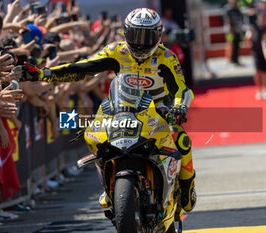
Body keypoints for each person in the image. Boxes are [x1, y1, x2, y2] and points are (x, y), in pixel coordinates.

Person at [30, 8, 196, 212]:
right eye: (136, 35)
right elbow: (81, 68)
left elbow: (181, 88)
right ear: (126, 33)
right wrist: (44, 74)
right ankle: (109, 184)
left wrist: (179, 107)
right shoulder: (116, 51)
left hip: (160, 111)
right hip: (124, 108)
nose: (141, 43)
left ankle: (187, 187)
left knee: (181, 140)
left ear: (158, 34)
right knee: (97, 138)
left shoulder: (166, 56)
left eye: (147, 36)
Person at [224, 0, 244, 65]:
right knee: (230, 45)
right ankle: (230, 60)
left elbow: (241, 20)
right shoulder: (229, 10)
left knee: (237, 45)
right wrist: (231, 31)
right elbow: (227, 21)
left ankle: (235, 59)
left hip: (238, 30)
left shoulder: (238, 10)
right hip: (231, 32)